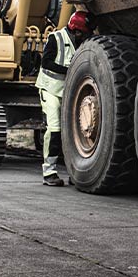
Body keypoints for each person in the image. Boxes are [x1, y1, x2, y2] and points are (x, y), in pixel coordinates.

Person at [34, 10, 93, 186]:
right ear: (76, 30)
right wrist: (70, 71)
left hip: (68, 93)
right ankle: (49, 172)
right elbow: (46, 63)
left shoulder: (80, 41)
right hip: (50, 90)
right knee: (54, 130)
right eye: (83, 33)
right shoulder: (55, 38)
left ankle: (73, 172)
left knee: (72, 133)